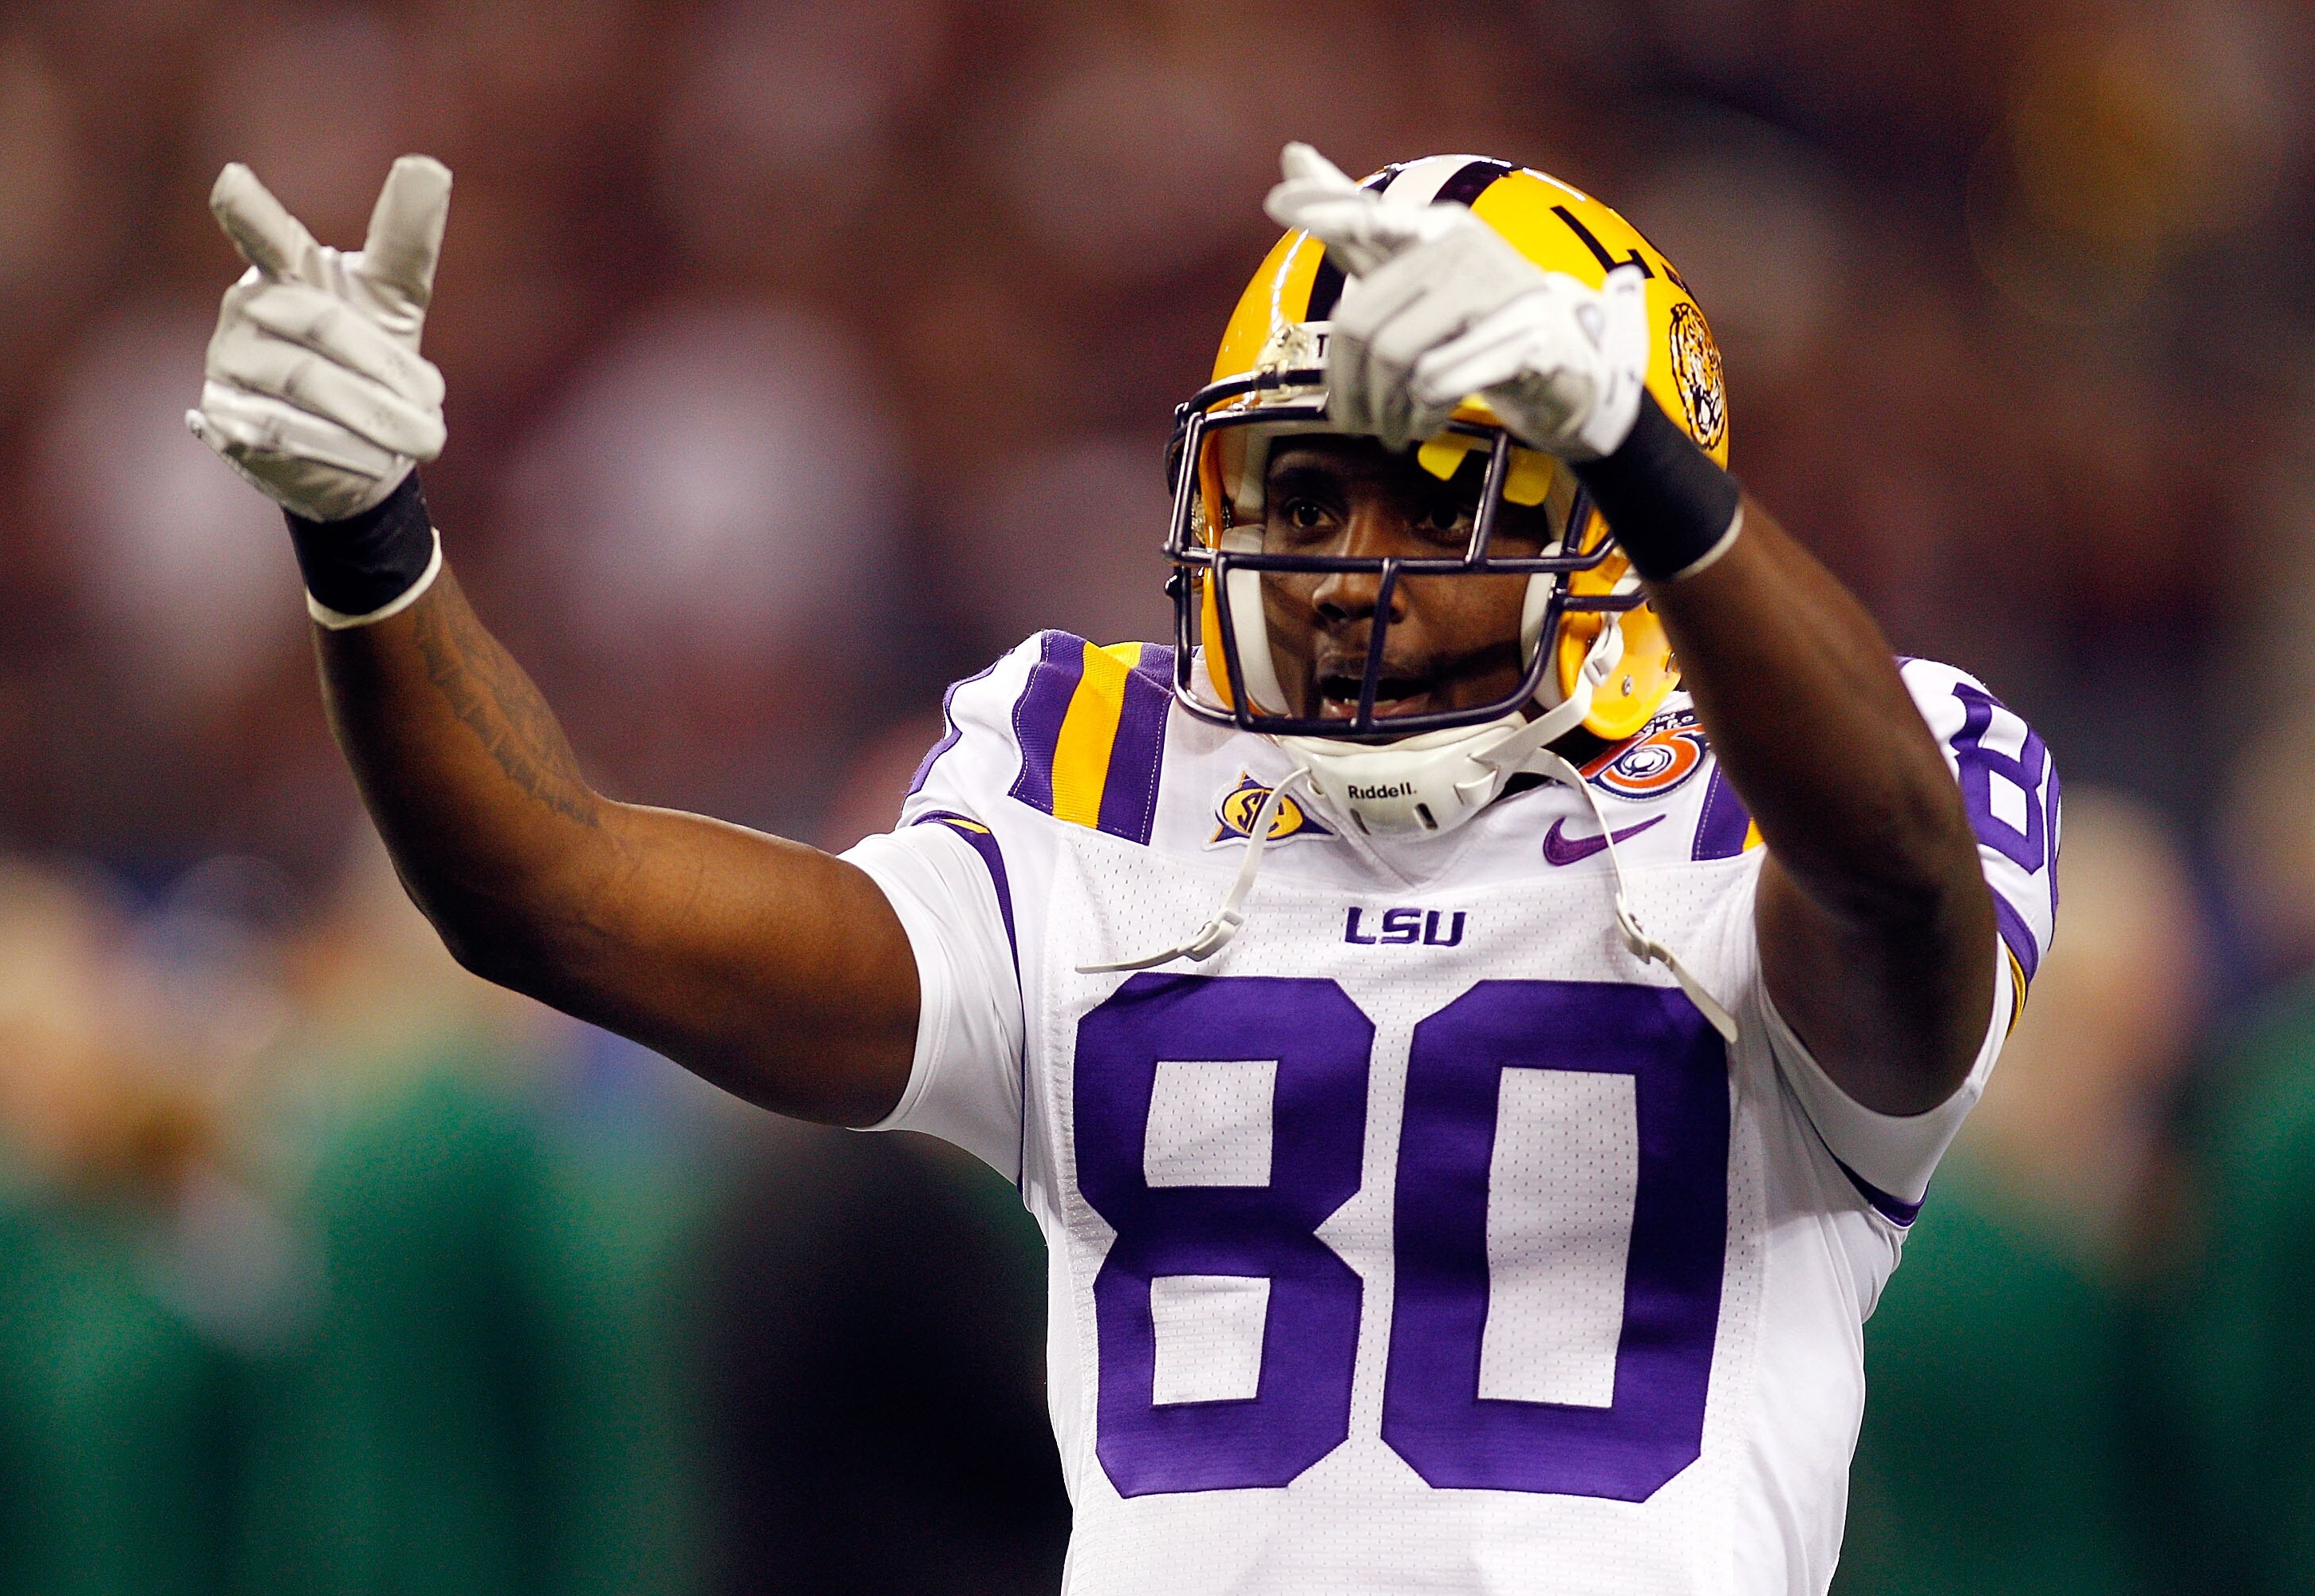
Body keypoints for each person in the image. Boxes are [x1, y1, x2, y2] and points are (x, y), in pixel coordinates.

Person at [183, 144, 2057, 1594]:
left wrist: (1637, 452)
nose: (1341, 565)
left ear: (1606, 525)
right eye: (1305, 495)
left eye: (1444, 490)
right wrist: (367, 538)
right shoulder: (1102, 785)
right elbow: (554, 888)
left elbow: (1897, 899)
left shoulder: (1816, 785)